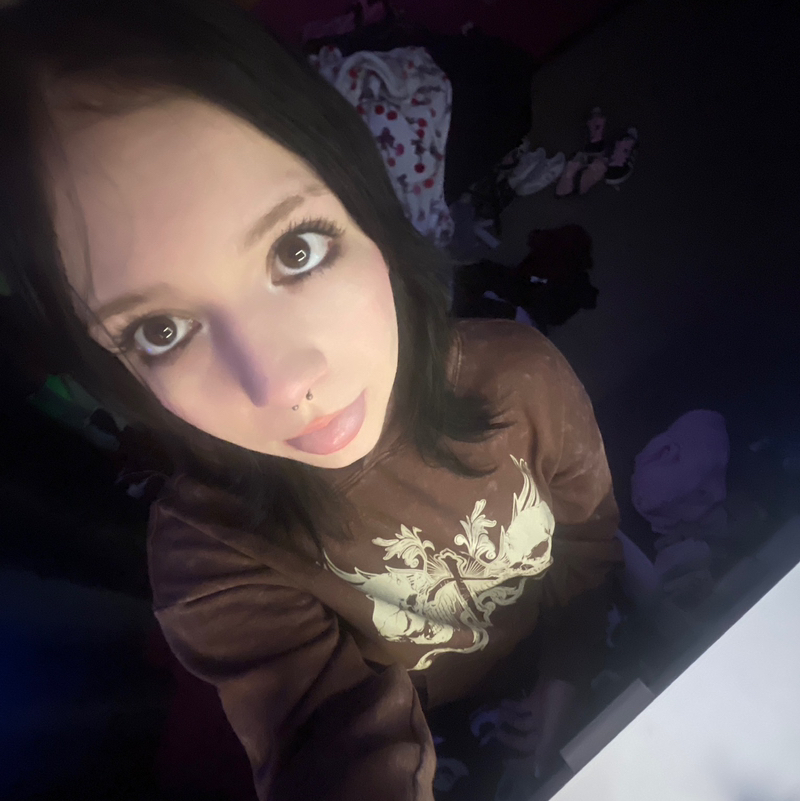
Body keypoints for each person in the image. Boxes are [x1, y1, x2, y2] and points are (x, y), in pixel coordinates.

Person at [0, 1, 622, 799]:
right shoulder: (211, 553)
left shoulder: (520, 375)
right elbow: (327, 739)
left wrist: (570, 673)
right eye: (161, 330)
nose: (279, 384)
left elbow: (590, 539)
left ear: (365, 205)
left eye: (297, 249)